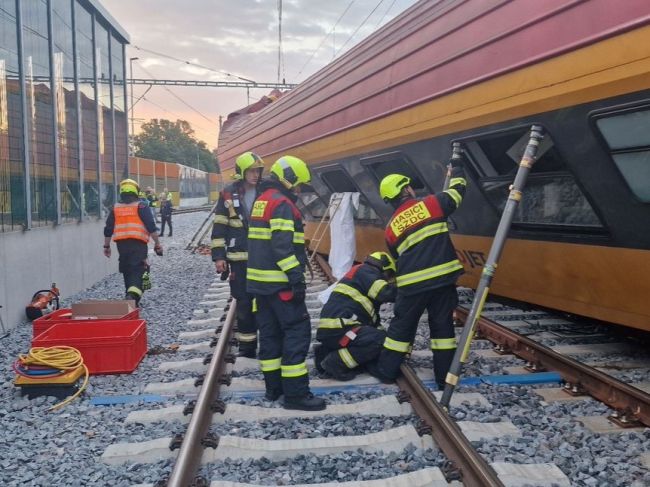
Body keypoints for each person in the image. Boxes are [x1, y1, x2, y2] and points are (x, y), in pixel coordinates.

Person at [373, 164, 466, 389]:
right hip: (442, 281)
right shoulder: (432, 204)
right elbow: (458, 192)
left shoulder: (390, 228)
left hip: (411, 286)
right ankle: (444, 379)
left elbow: (397, 258)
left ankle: (387, 371)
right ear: (406, 190)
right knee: (443, 330)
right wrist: (457, 172)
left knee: (400, 329)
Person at [247, 155, 325, 411]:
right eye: (299, 185)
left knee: (270, 336)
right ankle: (296, 395)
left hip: (261, 285)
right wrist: (296, 279)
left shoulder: (261, 201)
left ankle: (273, 389)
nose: (300, 190)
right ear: (289, 179)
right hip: (280, 285)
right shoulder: (282, 205)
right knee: (296, 333)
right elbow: (282, 248)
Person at [211, 152, 264, 357]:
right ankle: (247, 347)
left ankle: (267, 342)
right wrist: (219, 256)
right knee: (243, 303)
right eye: (251, 171)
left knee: (264, 302)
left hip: (262, 259)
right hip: (239, 260)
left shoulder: (265, 190)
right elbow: (219, 227)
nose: (255, 175)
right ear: (241, 172)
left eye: (258, 171)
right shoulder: (227, 194)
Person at [315, 252, 397, 381]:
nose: (389, 279)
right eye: (390, 275)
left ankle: (324, 354)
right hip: (343, 327)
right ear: (384, 268)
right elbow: (385, 293)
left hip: (336, 328)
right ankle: (335, 362)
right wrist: (406, 290)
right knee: (378, 340)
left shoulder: (359, 276)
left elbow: (373, 321)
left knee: (377, 337)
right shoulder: (366, 271)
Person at [103, 179, 163, 306]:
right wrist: (157, 243)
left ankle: (129, 297)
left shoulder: (116, 208)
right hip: (138, 244)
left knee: (127, 269)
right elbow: (151, 226)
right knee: (139, 270)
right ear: (136, 191)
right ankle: (132, 297)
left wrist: (106, 246)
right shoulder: (141, 206)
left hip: (121, 246)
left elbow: (108, 229)